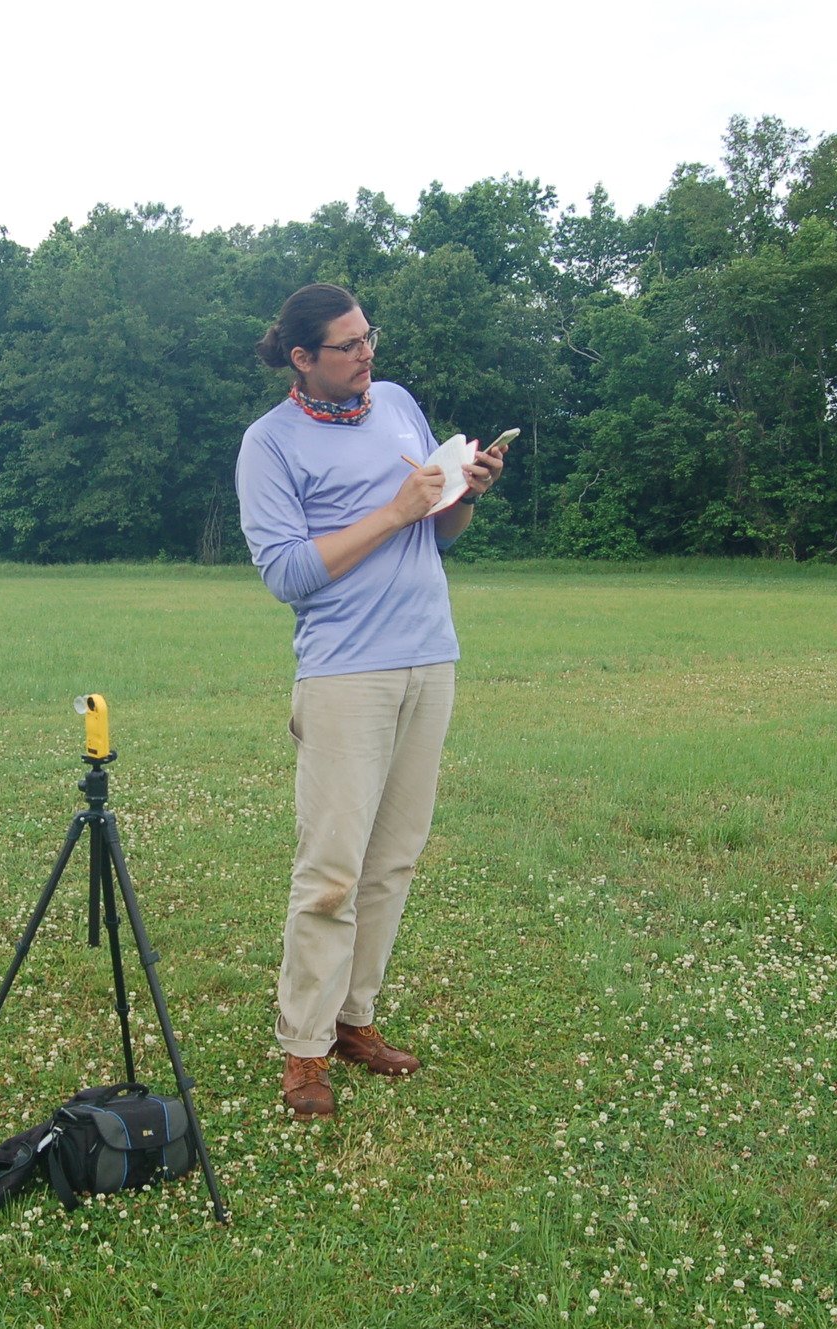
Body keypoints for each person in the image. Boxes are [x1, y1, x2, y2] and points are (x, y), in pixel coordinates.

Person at [235, 282, 504, 1120]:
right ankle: (303, 1048)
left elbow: (437, 529)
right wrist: (393, 511)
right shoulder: (267, 444)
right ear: (301, 358)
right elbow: (285, 574)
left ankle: (354, 1021)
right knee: (331, 872)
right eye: (347, 346)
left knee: (392, 860)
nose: (367, 355)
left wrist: (462, 496)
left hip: (430, 656)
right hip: (346, 672)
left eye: (368, 337)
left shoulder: (394, 404)